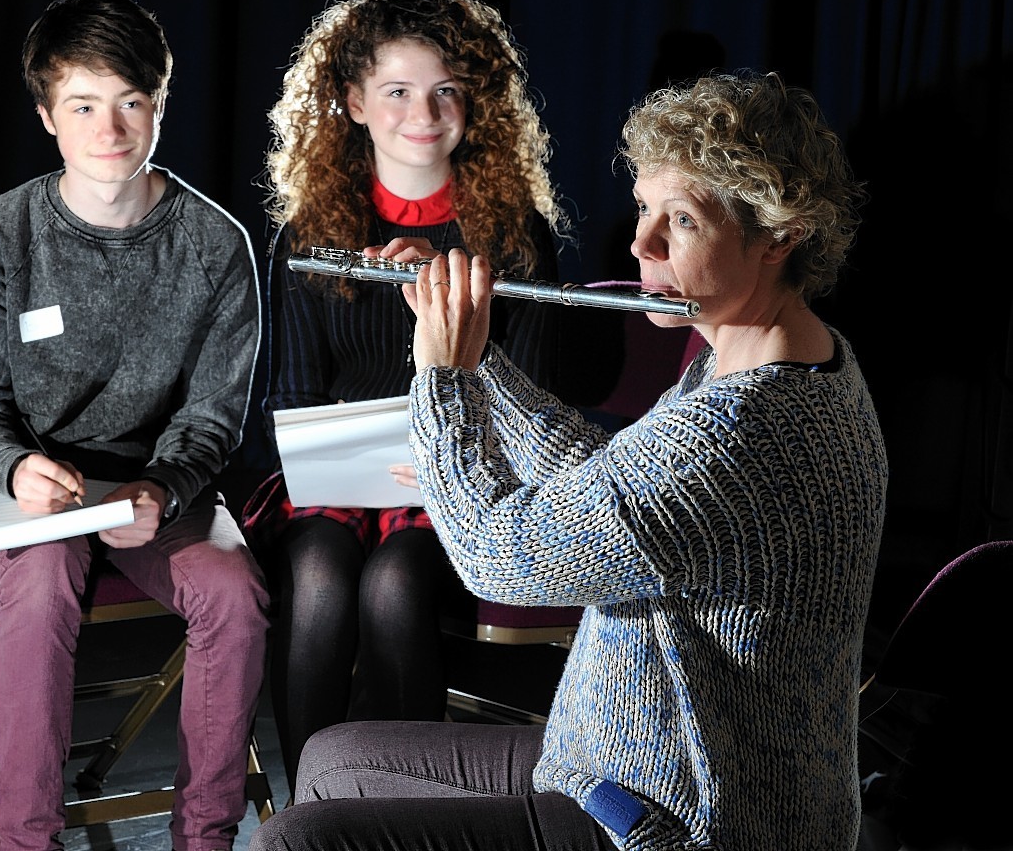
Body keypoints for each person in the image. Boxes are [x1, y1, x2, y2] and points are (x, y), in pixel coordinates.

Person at [247, 69, 887, 851]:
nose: (639, 242)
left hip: (679, 819)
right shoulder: (762, 358)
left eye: (679, 221)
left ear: (779, 237)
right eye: (646, 207)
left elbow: (496, 559)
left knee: (298, 840)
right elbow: (615, 483)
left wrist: (443, 375)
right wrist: (479, 354)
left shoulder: (748, 426)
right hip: (615, 758)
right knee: (332, 759)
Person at [241, 0, 620, 800]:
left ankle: (408, 806)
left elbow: (540, 400)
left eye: (447, 90)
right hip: (338, 482)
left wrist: (449, 308)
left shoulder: (513, 234)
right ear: (351, 102)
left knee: (396, 582)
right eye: (399, 91)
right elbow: (295, 398)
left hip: (463, 478)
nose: (425, 111)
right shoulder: (312, 232)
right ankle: (312, 808)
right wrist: (351, 460)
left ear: (473, 102)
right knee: (319, 580)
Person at [0, 0, 269, 851]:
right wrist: (11, 469)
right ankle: (25, 841)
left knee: (234, 596)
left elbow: (213, 415)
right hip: (22, 488)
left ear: (159, 104)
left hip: (154, 488)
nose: (110, 130)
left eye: (131, 102)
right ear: (48, 115)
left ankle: (205, 837)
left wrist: (162, 485)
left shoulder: (214, 244)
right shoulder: (0, 234)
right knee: (44, 584)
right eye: (84, 105)